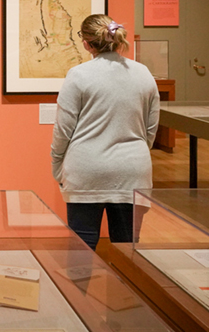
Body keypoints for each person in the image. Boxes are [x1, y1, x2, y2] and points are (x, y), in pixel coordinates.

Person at [51, 14, 160, 249]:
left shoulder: (78, 75)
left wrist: (57, 166)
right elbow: (151, 129)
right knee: (127, 253)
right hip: (132, 171)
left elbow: (63, 130)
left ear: (87, 43)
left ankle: (79, 288)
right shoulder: (143, 73)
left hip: (86, 170)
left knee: (82, 250)